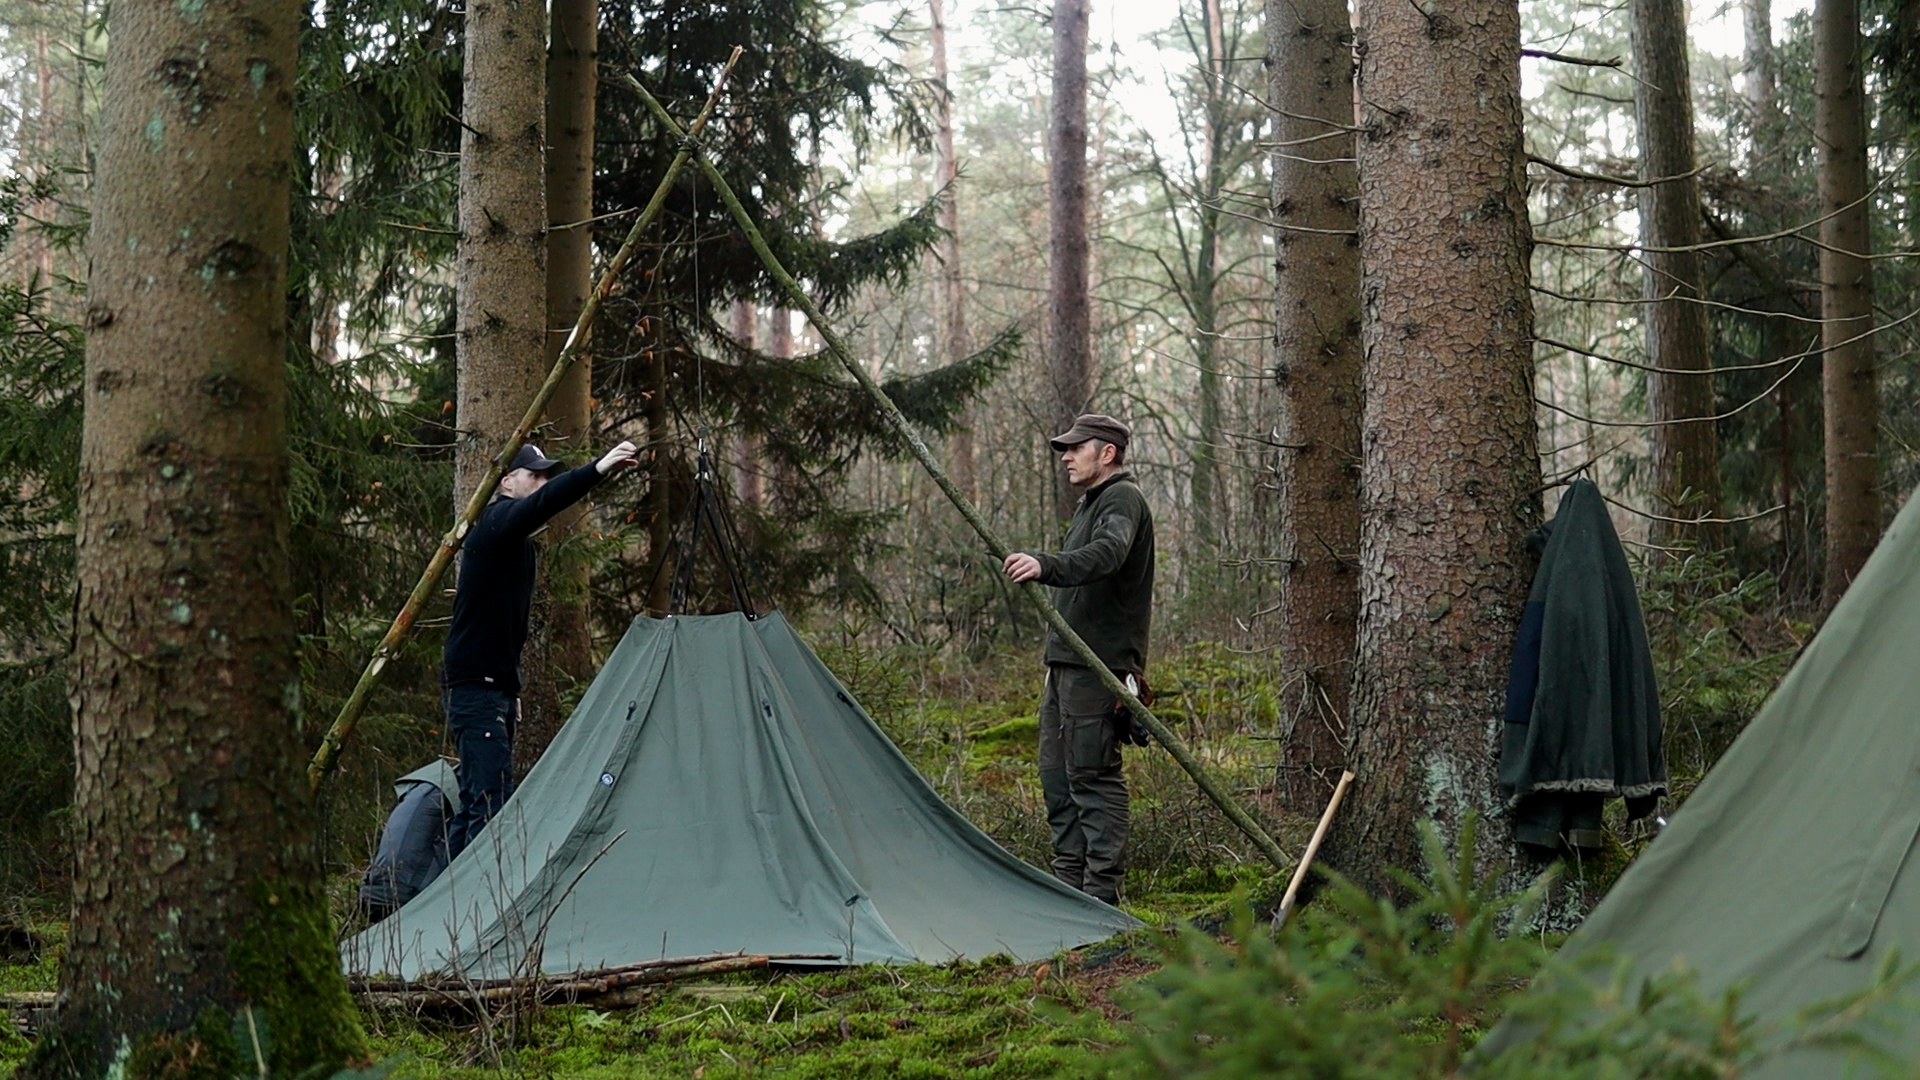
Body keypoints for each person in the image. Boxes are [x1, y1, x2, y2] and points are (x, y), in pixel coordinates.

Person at [442, 439, 640, 856]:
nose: (542, 482)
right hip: (476, 689)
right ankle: (480, 915)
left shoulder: (515, 542)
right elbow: (545, 503)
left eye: (546, 475)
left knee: (476, 803)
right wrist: (598, 469)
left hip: (489, 687)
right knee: (488, 805)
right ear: (508, 481)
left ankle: (441, 910)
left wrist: (509, 688)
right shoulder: (497, 522)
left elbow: (503, 624)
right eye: (534, 475)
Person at [1002, 414, 1155, 905]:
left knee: (1092, 776)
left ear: (1106, 453)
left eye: (1075, 448)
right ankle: (1068, 891)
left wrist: (1046, 564)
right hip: (1067, 664)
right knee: (1056, 776)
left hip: (1100, 666)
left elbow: (1108, 553)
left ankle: (1100, 899)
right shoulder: (1092, 504)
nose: (1065, 456)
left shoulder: (1121, 499)